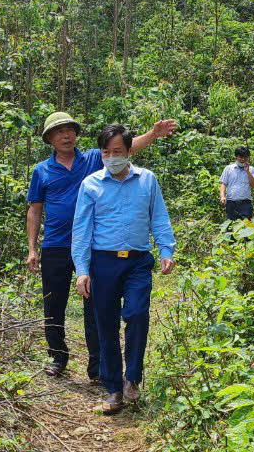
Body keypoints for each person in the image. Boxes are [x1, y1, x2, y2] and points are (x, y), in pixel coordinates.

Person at [26, 112, 176, 382]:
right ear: (49, 138)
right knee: (53, 305)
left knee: (95, 308)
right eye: (59, 132)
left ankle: (97, 367)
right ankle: (57, 357)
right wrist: (32, 248)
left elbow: (123, 148)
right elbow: (35, 210)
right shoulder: (42, 171)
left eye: (70, 130)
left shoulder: (95, 158)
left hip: (94, 246)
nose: (66, 135)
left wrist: (153, 134)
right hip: (56, 246)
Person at [71, 124, 176, 414]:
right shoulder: (90, 184)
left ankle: (133, 378)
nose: (111, 157)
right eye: (106, 152)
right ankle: (113, 388)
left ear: (130, 151)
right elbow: (81, 230)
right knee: (105, 324)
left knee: (137, 314)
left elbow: (159, 218)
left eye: (117, 151)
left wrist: (166, 250)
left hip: (138, 261)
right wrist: (82, 269)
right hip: (103, 262)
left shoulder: (147, 180)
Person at [219, 146, 254, 220]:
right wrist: (222, 196)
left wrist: (247, 171)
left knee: (246, 227)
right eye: (241, 157)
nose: (243, 159)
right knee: (231, 226)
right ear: (236, 157)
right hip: (231, 203)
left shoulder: (251, 169)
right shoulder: (228, 169)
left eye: (245, 157)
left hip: (245, 203)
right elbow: (223, 184)